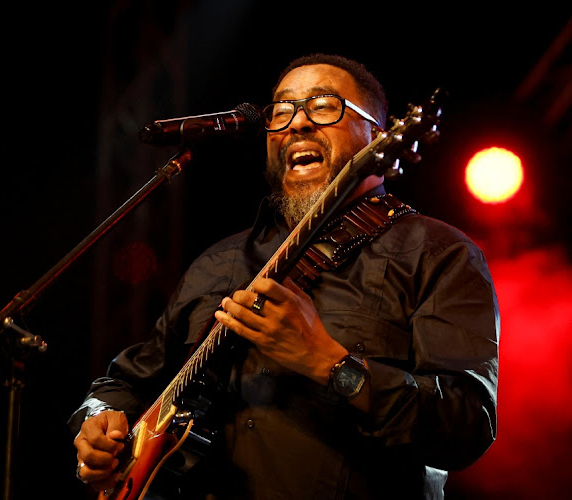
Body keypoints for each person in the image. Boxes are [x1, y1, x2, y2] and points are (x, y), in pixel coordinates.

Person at [69, 53, 499, 499]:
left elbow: (467, 427)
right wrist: (97, 420)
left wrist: (328, 363)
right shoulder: (218, 262)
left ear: (379, 135)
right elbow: (125, 382)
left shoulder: (438, 252)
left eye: (325, 106)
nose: (297, 123)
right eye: (281, 111)